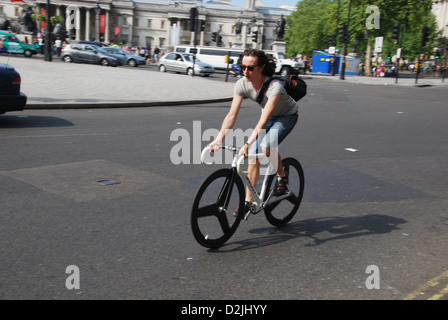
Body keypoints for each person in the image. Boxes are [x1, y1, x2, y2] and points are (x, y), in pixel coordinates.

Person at [209, 49, 299, 214]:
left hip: (286, 116)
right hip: (269, 116)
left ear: (261, 68)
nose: (245, 71)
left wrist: (247, 144)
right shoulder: (242, 84)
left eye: (250, 68)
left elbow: (263, 121)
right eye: (243, 67)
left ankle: (282, 177)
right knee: (253, 155)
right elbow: (231, 115)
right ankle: (248, 202)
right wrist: (218, 140)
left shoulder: (275, 87)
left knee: (265, 148)